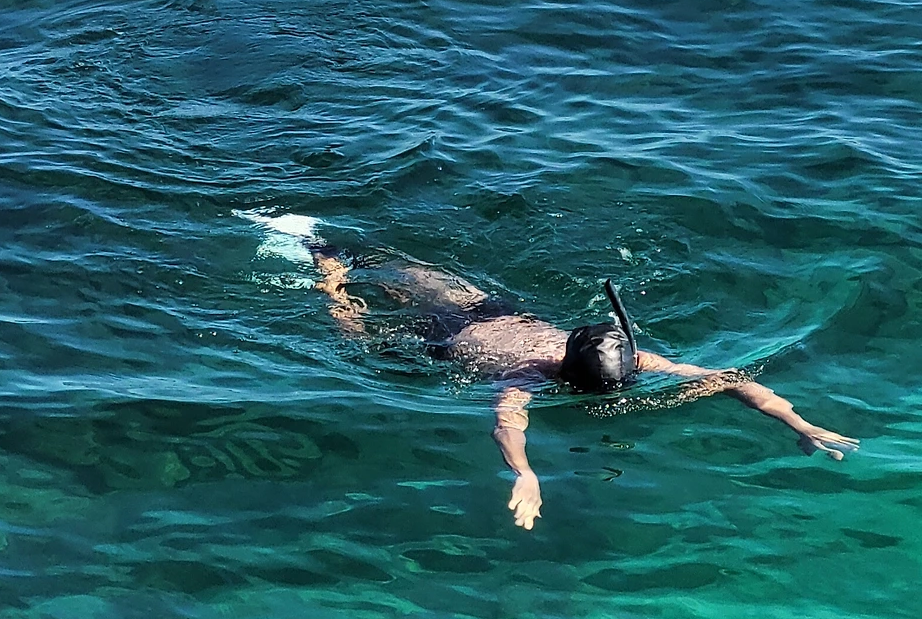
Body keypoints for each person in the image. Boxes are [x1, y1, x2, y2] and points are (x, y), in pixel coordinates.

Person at [295, 232, 858, 532]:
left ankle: (328, 255)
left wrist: (799, 423)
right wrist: (524, 472)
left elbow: (731, 380)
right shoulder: (525, 376)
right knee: (355, 329)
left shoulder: (634, 362)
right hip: (448, 336)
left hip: (496, 313)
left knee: (410, 280)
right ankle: (328, 273)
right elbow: (506, 424)